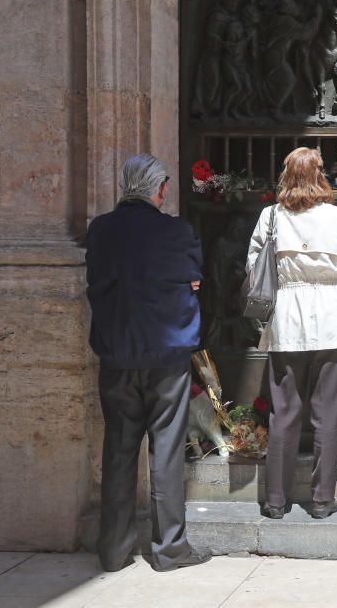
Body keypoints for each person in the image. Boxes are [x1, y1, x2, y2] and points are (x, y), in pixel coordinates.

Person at [86, 154, 210, 572]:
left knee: (118, 451)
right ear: (159, 189)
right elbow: (193, 276)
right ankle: (169, 549)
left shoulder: (101, 230)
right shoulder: (176, 230)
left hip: (117, 355)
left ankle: (115, 551)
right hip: (166, 357)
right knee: (168, 452)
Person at [247, 147, 337, 520]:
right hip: (332, 317)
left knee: (284, 412)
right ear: (320, 175)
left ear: (286, 175)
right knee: (327, 414)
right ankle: (321, 500)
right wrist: (331, 289)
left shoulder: (271, 218)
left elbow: (253, 268)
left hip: (287, 318)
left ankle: (276, 501)